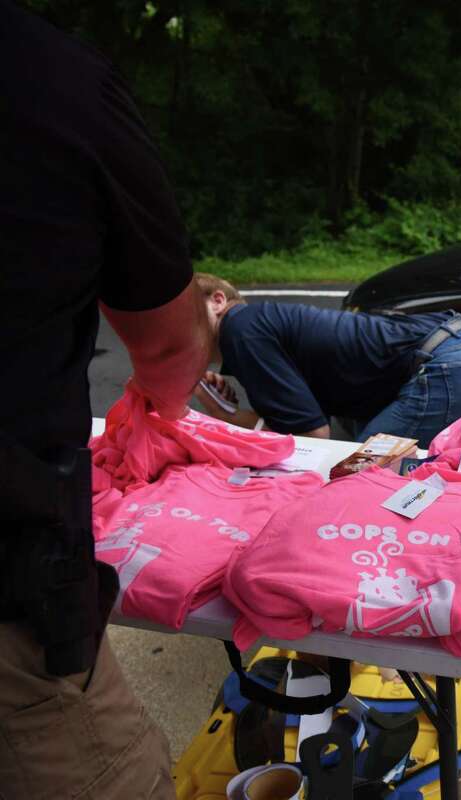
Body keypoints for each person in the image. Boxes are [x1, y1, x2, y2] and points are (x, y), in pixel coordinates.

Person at [0, 3, 212, 798]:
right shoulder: (50, 80)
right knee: (113, 774)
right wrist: (154, 412)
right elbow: (169, 347)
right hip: (13, 583)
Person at [192, 274, 461, 447]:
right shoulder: (252, 329)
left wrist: (224, 415)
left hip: (441, 359)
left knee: (358, 474)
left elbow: (311, 435)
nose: (177, 328)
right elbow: (293, 422)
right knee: (389, 474)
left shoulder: (239, 330)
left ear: (219, 301)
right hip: (450, 348)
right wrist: (226, 408)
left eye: (187, 313)